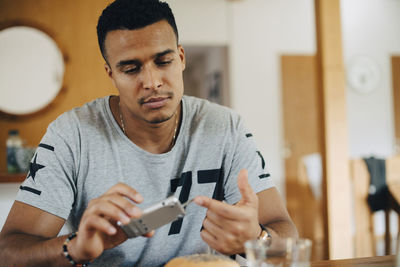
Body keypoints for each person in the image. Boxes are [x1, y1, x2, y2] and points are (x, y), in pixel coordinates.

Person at [0, 0, 297, 266]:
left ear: (181, 57)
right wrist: (73, 248)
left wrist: (258, 239)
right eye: (131, 69)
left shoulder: (226, 128)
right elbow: (8, 251)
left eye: (163, 61)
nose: (152, 81)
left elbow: (286, 235)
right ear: (111, 74)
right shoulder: (71, 135)